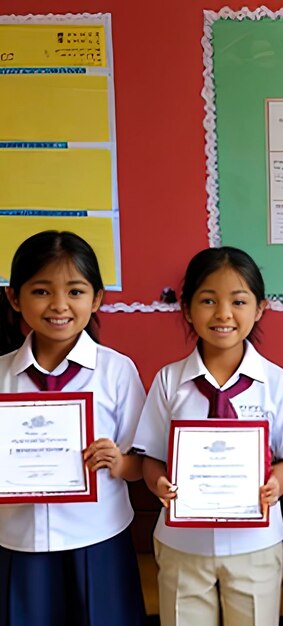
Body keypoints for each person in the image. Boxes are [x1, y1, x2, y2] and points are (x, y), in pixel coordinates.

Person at [133, 246, 283, 626]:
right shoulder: (169, 380)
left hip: (255, 544)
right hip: (183, 545)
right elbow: (151, 457)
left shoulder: (277, 383)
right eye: (208, 300)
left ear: (259, 308)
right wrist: (157, 483)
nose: (223, 314)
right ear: (187, 309)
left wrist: (277, 484)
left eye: (238, 301)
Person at [0, 230, 146, 626]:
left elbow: (143, 464)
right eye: (42, 291)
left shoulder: (116, 371)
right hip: (18, 542)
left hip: (98, 540)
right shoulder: (1, 375)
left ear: (97, 298)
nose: (59, 305)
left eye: (76, 291)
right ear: (15, 298)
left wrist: (118, 463)